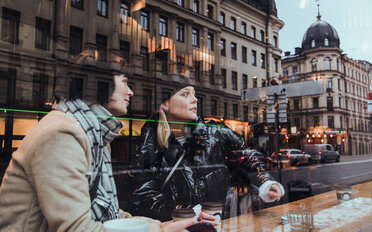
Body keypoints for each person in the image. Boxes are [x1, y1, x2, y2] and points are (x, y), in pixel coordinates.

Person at [0, 71, 217, 232]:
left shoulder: (95, 132)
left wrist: (162, 226)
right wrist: (160, 229)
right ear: (100, 84)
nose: (131, 91)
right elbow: (78, 228)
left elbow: (109, 213)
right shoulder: (62, 133)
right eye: (124, 82)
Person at [130, 84, 284, 222]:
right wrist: (183, 214)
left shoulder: (214, 132)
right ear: (165, 105)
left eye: (194, 94)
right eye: (185, 94)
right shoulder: (151, 143)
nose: (195, 99)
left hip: (222, 223)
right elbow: (143, 195)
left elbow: (247, 156)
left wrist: (265, 182)